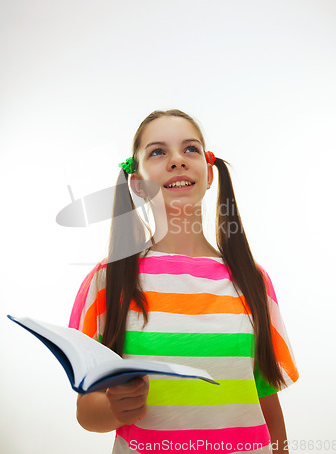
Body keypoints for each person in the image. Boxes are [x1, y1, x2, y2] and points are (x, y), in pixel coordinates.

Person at [69, 109, 299, 454]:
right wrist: (114, 408)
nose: (177, 160)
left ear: (208, 173)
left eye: (190, 149)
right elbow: (87, 412)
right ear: (137, 182)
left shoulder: (253, 281)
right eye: (158, 152)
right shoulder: (106, 282)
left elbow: (266, 402)